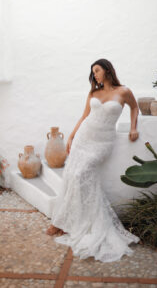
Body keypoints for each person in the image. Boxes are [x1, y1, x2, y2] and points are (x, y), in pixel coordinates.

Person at [46, 58, 140, 262]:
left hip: (102, 142)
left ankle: (84, 224)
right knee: (72, 175)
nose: (94, 74)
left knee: (81, 174)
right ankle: (62, 222)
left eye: (97, 70)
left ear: (107, 70)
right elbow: (84, 117)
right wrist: (71, 136)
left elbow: (134, 108)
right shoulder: (93, 93)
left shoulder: (123, 91)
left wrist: (133, 127)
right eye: (93, 72)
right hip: (84, 137)